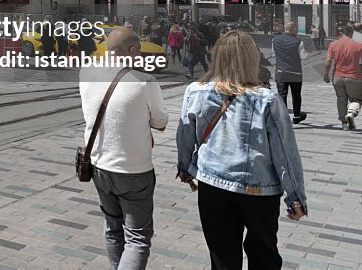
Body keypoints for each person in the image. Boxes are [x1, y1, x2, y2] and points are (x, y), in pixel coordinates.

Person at [177, 31, 308, 269]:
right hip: (258, 190)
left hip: (212, 184)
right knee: (264, 256)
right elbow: (285, 153)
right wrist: (295, 196)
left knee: (222, 258)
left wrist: (186, 169)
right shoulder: (267, 99)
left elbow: (185, 137)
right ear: (251, 58)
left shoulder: (195, 90)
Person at [79, 28, 167, 270]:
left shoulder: (86, 71)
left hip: (98, 165)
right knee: (137, 238)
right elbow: (160, 123)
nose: (139, 58)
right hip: (133, 171)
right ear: (130, 51)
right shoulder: (145, 82)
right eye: (138, 52)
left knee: (113, 228)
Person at [322, 25, 362, 130]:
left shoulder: (333, 44)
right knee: (357, 99)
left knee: (341, 99)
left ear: (341, 33)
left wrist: (326, 74)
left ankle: (344, 124)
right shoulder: (358, 45)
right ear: (352, 34)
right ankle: (351, 114)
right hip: (354, 76)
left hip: (338, 77)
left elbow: (328, 61)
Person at [270, 21, 309, 124]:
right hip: (295, 73)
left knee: (282, 94)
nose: (297, 30)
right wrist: (309, 51)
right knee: (296, 95)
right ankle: (296, 116)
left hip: (281, 72)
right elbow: (304, 57)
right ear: (292, 29)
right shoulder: (298, 41)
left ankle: (283, 117)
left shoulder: (275, 40)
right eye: (296, 28)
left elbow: (273, 54)